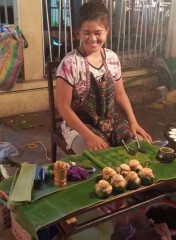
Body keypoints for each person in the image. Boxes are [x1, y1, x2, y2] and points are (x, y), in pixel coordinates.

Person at [55, 0, 152, 154]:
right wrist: (88, 136)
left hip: (111, 122)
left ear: (107, 30)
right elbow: (63, 108)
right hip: (79, 126)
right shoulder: (69, 64)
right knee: (102, 161)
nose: (92, 39)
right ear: (78, 31)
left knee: (141, 147)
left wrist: (133, 122)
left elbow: (120, 94)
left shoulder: (112, 58)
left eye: (98, 33)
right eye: (86, 32)